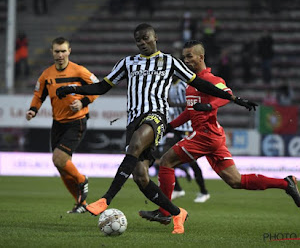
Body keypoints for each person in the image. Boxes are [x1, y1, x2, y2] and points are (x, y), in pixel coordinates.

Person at [56, 24, 257, 234]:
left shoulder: (170, 62)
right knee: (141, 177)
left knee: (134, 147)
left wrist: (233, 98)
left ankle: (106, 199)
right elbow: (102, 87)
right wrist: (73, 89)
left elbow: (201, 84)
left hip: (156, 117)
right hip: (133, 121)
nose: (142, 42)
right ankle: (177, 212)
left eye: (145, 38)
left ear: (155, 37)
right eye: (138, 40)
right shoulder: (128, 63)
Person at [138, 40, 300, 225]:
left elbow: (226, 95)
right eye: (184, 57)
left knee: (166, 161)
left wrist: (209, 105)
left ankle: (164, 211)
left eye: (190, 56)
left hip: (206, 135)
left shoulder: (212, 80)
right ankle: (285, 183)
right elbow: (189, 112)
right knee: (235, 181)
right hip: (212, 137)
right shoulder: (191, 84)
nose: (186, 60)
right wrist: (170, 126)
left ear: (201, 57)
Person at [26, 37, 99, 213]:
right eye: (57, 51)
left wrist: (83, 102)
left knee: (58, 158)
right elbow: (39, 95)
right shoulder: (47, 75)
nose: (60, 55)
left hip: (76, 121)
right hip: (58, 123)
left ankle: (82, 179)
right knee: (61, 167)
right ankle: (80, 204)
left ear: (69, 51)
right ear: (52, 52)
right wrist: (33, 110)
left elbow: (97, 87)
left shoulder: (79, 71)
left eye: (63, 51)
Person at [158, 77, 210, 203]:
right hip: (176, 128)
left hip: (187, 127)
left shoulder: (184, 86)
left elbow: (189, 104)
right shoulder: (169, 85)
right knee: (164, 157)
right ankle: (177, 189)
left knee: (192, 161)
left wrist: (173, 104)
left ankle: (204, 191)